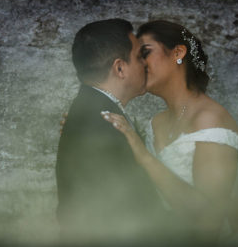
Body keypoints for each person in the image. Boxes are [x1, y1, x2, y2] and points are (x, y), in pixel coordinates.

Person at [102, 20, 238, 242]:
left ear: (178, 52)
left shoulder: (209, 121)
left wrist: (144, 156)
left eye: (145, 53)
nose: (138, 64)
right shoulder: (155, 123)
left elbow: (209, 223)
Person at [55, 18, 169, 244]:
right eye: (139, 57)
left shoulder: (92, 112)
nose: (145, 64)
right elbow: (118, 219)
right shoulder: (101, 126)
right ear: (119, 68)